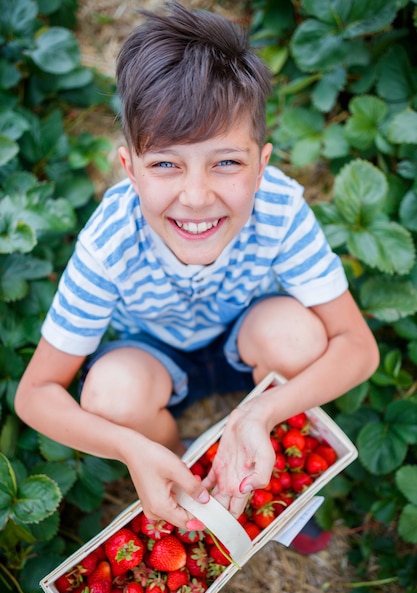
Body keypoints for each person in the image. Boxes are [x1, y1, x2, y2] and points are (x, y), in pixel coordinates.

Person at [14, 1, 379, 547]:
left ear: (262, 164)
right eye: (165, 164)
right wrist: (130, 447)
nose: (196, 196)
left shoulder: (278, 207)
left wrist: (263, 411)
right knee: (110, 397)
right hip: (155, 351)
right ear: (129, 170)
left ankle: (262, 460)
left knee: (299, 336)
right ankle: (186, 472)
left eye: (226, 162)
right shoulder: (109, 241)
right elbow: (36, 393)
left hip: (245, 335)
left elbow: (358, 347)